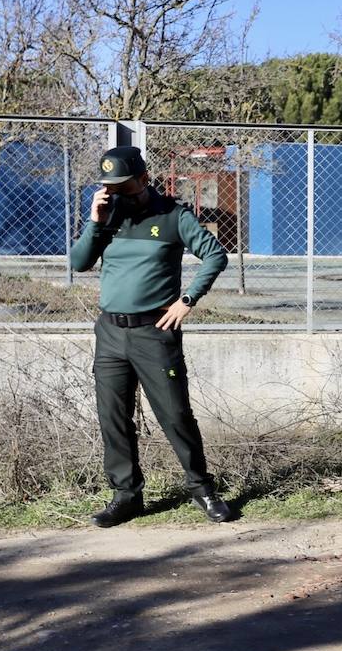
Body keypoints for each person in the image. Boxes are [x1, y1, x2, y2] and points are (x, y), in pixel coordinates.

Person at [69, 145, 235, 528]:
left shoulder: (174, 216)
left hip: (154, 334)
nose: (117, 193)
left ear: (144, 179)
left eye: (124, 186)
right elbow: (79, 262)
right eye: (111, 187)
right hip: (110, 332)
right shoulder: (108, 217)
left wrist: (187, 300)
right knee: (113, 417)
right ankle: (126, 496)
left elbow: (215, 255)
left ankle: (203, 490)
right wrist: (95, 221)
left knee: (175, 415)